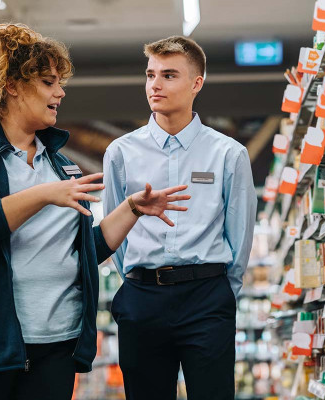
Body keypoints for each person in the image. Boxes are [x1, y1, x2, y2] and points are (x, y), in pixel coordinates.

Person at [0, 23, 190, 400]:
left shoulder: (62, 166)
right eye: (49, 82)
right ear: (13, 85)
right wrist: (42, 195)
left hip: (57, 346)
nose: (60, 92)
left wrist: (133, 208)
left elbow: (83, 252)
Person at [103, 35, 258, 400]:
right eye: (150, 74)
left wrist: (221, 293)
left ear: (196, 84)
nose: (155, 85)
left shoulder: (228, 154)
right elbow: (114, 232)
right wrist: (138, 278)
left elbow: (240, 235)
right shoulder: (120, 153)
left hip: (207, 298)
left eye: (169, 75)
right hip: (142, 298)